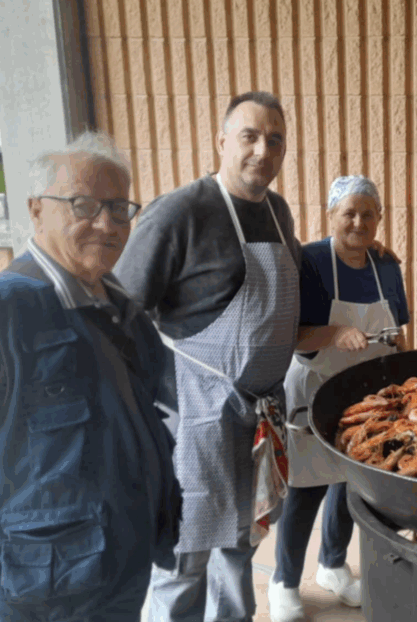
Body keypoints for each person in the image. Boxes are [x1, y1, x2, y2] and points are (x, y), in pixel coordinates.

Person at [0, 133, 182, 621]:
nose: (107, 224)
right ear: (36, 210)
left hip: (117, 567)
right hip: (36, 592)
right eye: (83, 205)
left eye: (119, 208)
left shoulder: (119, 307)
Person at [113, 91, 301, 622]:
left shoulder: (278, 211)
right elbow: (119, 319)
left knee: (241, 538)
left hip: (259, 415)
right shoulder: (180, 213)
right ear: (221, 141)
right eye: (249, 136)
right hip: (195, 418)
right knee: (186, 551)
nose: (262, 150)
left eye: (275, 140)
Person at [267, 176, 410, 621]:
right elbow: (289, 335)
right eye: (349, 213)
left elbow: (398, 332)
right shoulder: (310, 262)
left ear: (380, 219)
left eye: (368, 214)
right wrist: (335, 333)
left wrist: (407, 380)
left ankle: (333, 566)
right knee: (306, 488)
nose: (358, 222)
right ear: (331, 215)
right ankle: (284, 582)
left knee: (352, 483)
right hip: (314, 388)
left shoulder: (386, 265)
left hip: (367, 397)